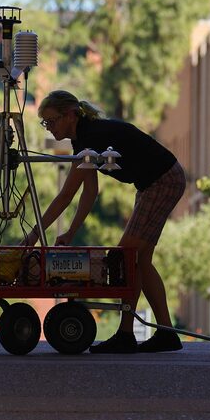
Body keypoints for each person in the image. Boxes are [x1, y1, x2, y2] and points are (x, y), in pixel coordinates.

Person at [22, 90, 186, 353]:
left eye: (51, 121)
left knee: (124, 258)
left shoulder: (92, 138)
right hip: (153, 183)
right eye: (45, 123)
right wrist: (71, 232)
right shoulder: (83, 142)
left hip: (162, 180)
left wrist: (32, 237)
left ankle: (126, 335)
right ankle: (166, 333)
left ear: (70, 115)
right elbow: (89, 192)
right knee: (140, 260)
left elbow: (66, 196)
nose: (49, 128)